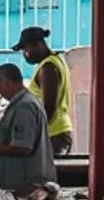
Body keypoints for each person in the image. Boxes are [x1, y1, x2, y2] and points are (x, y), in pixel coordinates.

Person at [0, 61, 54, 193]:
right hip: (19, 182)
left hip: (24, 184)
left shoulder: (24, 106)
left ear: (6, 83)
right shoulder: (23, 102)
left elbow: (24, 147)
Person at [20, 28, 74, 157]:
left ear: (38, 45)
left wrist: (37, 133)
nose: (24, 54)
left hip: (53, 133)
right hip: (58, 130)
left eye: (26, 49)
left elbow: (49, 106)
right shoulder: (57, 61)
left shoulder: (48, 67)